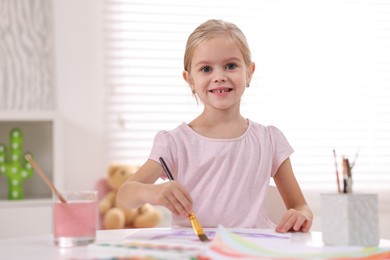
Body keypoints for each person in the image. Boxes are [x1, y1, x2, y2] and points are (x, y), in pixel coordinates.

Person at [116, 19, 313, 233]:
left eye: (230, 66)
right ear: (189, 80)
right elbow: (125, 195)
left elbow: (300, 205)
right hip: (195, 250)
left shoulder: (269, 140)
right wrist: (153, 193)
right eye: (206, 69)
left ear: (249, 72)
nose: (219, 77)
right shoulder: (175, 142)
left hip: (252, 251)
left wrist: (301, 215)